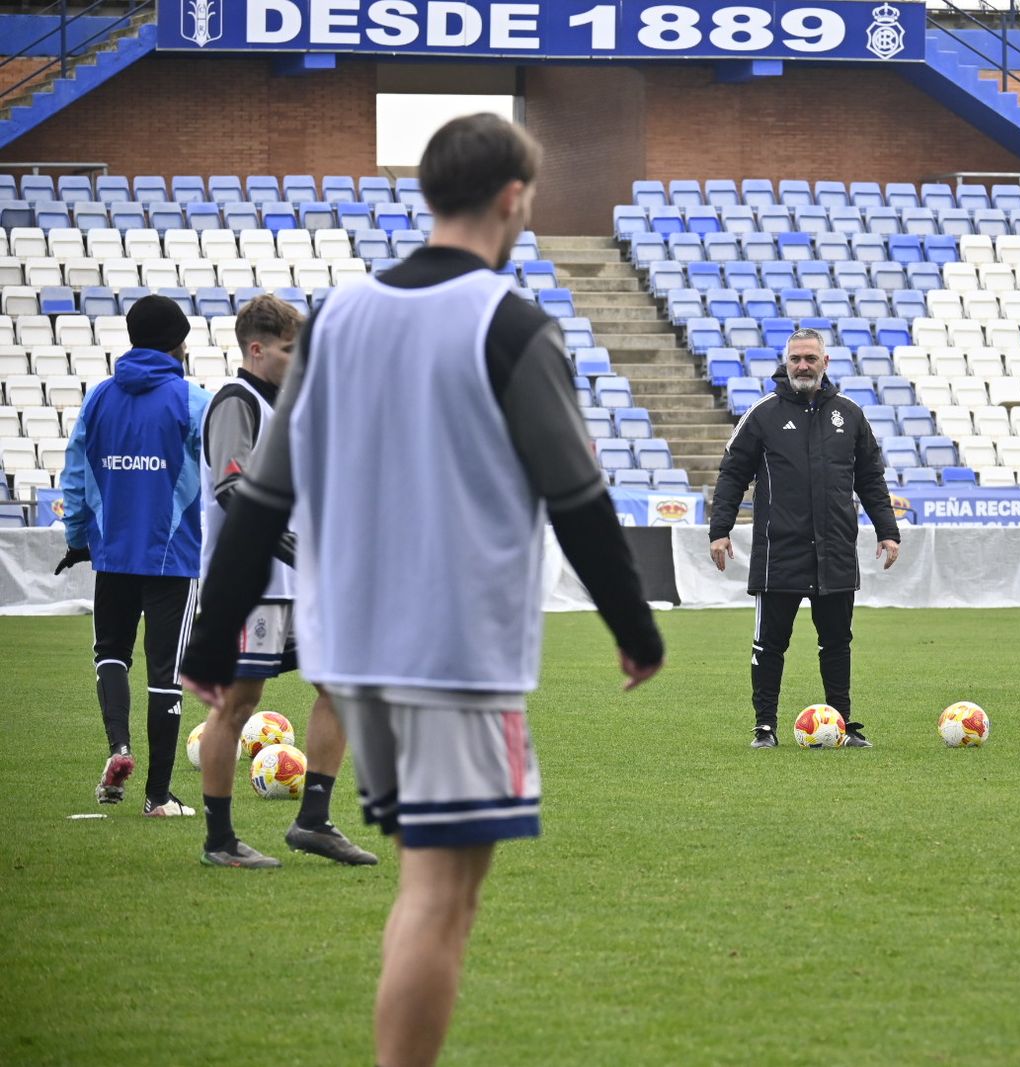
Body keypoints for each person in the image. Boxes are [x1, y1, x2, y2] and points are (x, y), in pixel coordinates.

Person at [177, 114, 665, 1067]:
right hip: (455, 654)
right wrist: (635, 627)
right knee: (442, 899)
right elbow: (578, 495)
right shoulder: (510, 324)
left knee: (424, 890)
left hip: (352, 651)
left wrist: (206, 642)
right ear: (513, 199)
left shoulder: (339, 320)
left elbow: (260, 499)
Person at [195, 294, 376, 869]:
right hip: (255, 583)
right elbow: (233, 489)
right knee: (239, 703)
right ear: (257, 349)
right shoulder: (235, 401)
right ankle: (220, 841)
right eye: (290, 352)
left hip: (300, 583)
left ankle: (313, 821)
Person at [708, 327, 901, 749]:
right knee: (769, 645)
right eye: (795, 358)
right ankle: (764, 728)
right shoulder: (763, 414)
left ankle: (844, 725)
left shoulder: (849, 414)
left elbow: (871, 478)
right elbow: (732, 475)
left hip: (834, 553)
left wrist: (887, 530)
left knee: (837, 644)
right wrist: (719, 530)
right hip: (780, 553)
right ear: (786, 362)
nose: (802, 366)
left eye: (810, 358)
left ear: (825, 362)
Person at [58, 294, 209, 817]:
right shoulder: (195, 400)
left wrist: (79, 535)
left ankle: (119, 748)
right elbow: (218, 481)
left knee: (111, 653)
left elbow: (75, 474)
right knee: (165, 674)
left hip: (113, 552)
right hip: (173, 558)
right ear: (179, 342)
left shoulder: (99, 397)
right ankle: (157, 797)